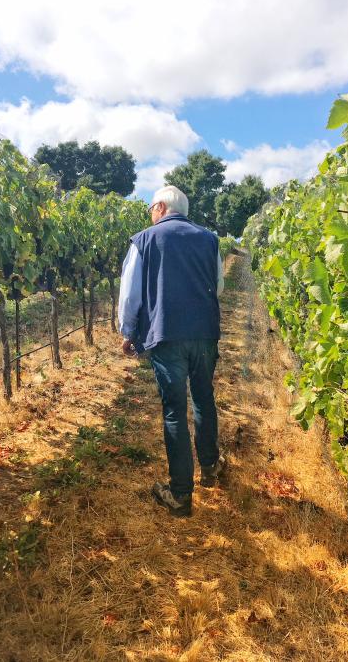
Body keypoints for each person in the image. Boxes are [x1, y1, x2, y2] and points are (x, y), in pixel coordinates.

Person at [118, 185, 226, 517]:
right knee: (204, 397)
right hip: (204, 334)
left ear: (162, 207)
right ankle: (210, 467)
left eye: (151, 207)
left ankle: (180, 494)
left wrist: (127, 332)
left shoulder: (145, 240)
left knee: (174, 410)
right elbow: (219, 286)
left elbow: (130, 293)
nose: (150, 213)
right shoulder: (209, 240)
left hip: (166, 336)